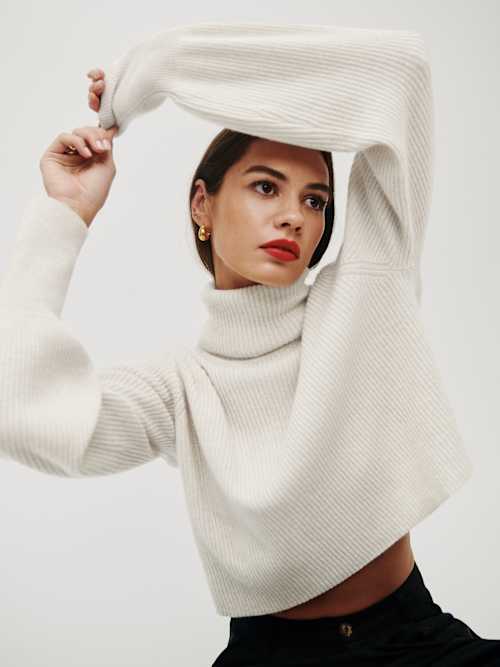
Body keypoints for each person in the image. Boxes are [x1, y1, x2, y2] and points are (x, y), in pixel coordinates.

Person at [1, 21, 499, 665]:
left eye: (315, 200)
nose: (295, 215)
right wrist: (64, 213)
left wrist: (165, 65)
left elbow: (400, 70)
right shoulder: (180, 390)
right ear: (202, 205)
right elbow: (22, 414)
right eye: (266, 186)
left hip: (418, 644)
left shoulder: (367, 295)